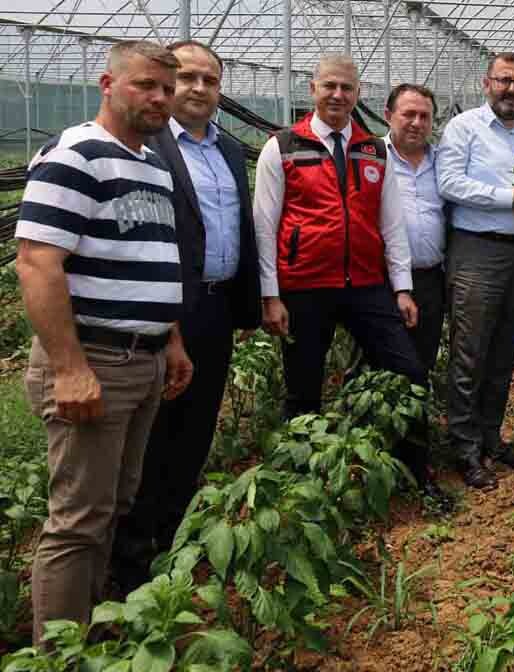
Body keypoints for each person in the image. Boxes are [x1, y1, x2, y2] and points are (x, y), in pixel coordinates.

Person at [15, 40, 192, 642]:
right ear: (108, 83)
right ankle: (56, 652)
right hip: (95, 358)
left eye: (166, 89)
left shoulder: (151, 164)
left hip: (139, 359)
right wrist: (69, 367)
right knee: (78, 520)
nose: (160, 98)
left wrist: (170, 340)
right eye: (147, 85)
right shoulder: (76, 154)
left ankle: (88, 631)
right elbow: (38, 262)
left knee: (114, 506)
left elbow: (151, 260)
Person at [109, 40, 260, 594]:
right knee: (149, 438)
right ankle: (128, 565)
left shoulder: (228, 152)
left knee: (195, 432)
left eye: (210, 80)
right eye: (187, 78)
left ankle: (170, 543)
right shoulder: (141, 146)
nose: (199, 89)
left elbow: (239, 228)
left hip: (216, 308)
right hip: (163, 315)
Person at [252, 55, 426, 452]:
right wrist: (270, 296)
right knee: (303, 387)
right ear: (312, 89)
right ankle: (300, 479)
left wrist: (401, 288)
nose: (338, 94)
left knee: (408, 372)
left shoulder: (373, 150)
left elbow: (392, 224)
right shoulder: (282, 147)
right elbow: (264, 226)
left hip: (366, 284)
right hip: (304, 287)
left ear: (358, 93)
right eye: (329, 86)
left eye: (347, 87)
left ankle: (414, 467)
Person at [436, 52, 514, 489]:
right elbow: (449, 183)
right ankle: (464, 448)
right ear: (487, 84)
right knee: (470, 352)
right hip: (476, 251)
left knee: (505, 349)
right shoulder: (464, 128)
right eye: (503, 81)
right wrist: (512, 198)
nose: (511, 89)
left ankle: (490, 436)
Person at [384, 84, 448, 392]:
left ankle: (417, 432)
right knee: (381, 362)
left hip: (430, 279)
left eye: (425, 116)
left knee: (423, 359)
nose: (417, 123)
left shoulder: (443, 162)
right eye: (408, 114)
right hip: (381, 280)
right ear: (388, 116)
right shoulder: (371, 157)